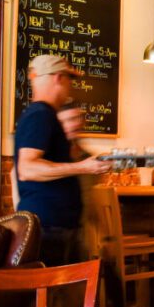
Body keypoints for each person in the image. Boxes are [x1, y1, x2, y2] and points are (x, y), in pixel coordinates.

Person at [15, 54, 110, 267]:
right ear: (58, 78)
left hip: (57, 227)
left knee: (68, 297)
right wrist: (83, 167)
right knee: (55, 298)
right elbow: (27, 168)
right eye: (69, 79)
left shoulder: (42, 114)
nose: (70, 86)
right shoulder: (41, 114)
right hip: (50, 229)